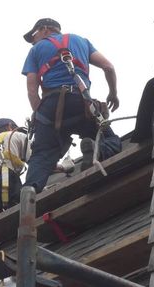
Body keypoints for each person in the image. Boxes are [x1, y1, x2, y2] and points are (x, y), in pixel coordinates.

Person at [21, 18, 122, 193]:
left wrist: (41, 117)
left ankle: (29, 191)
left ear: (44, 29)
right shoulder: (81, 41)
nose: (33, 41)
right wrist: (113, 93)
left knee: (42, 154)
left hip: (51, 106)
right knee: (110, 140)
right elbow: (109, 67)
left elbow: (32, 90)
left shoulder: (36, 51)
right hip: (81, 101)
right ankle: (96, 150)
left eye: (33, 35)